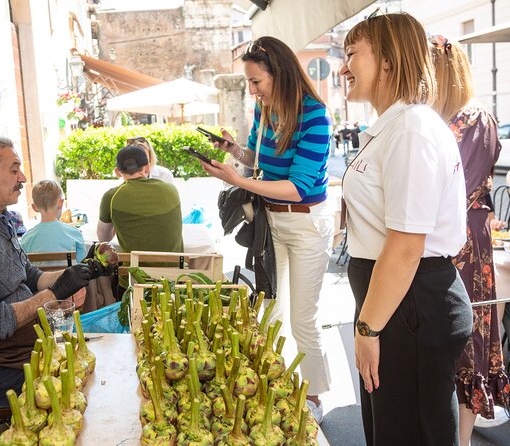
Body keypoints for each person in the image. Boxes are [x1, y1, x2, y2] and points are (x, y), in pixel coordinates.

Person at [340, 12, 473, 445]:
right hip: (397, 302)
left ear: (390, 61)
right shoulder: (396, 125)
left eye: (352, 54)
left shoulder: (411, 127)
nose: (343, 68)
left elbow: (406, 245)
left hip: (409, 304)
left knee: (409, 432)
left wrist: (367, 329)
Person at [200, 36, 334, 423]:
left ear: (281, 74)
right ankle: (274, 382)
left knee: (302, 319)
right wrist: (233, 152)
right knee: (270, 310)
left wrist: (237, 180)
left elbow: (299, 185)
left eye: (256, 81)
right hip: (272, 221)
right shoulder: (265, 109)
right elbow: (260, 161)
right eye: (249, 83)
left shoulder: (314, 115)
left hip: (306, 222)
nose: (252, 90)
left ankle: (315, 396)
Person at [0, 136, 108, 406]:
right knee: (83, 384)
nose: (23, 177)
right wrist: (53, 295)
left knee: (93, 364)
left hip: (19, 348)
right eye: (14, 170)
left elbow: (31, 277)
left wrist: (74, 275)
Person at [430, 35, 509, 446]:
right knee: (447, 340)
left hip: (463, 239)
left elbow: (454, 192)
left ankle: (460, 440)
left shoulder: (475, 118)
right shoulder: (439, 120)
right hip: (443, 237)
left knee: (466, 342)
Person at [97, 144, 183, 253]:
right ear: (147, 167)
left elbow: (104, 239)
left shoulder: (111, 196)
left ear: (118, 171)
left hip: (134, 269)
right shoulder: (171, 190)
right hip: (176, 268)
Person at [21, 179, 87, 263]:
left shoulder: (26, 239)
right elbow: (81, 264)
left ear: (34, 207)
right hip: (68, 276)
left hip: (39, 276)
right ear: (60, 203)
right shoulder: (75, 234)